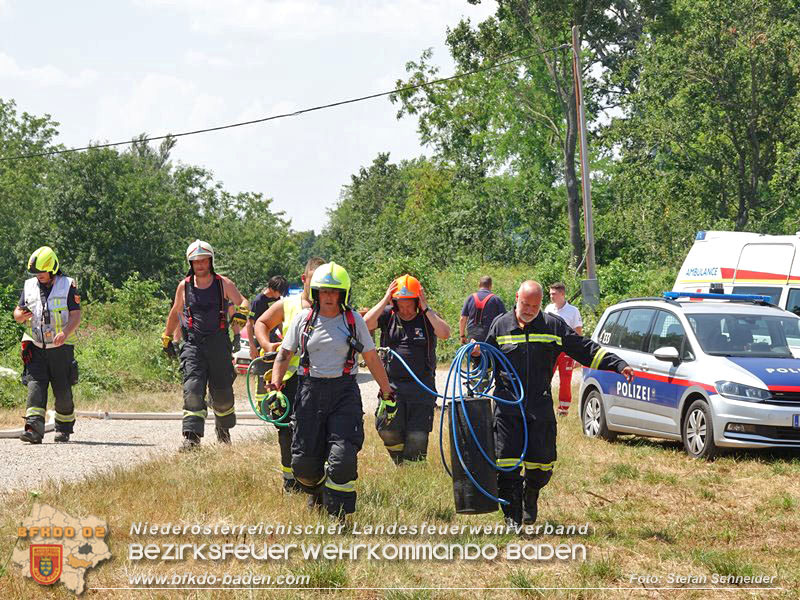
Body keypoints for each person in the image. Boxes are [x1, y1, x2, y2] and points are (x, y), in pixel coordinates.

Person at [485, 280, 633, 527]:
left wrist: (617, 363)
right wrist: (478, 355)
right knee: (507, 461)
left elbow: (583, 348)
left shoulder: (552, 325)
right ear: (516, 298)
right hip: (507, 405)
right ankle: (512, 514)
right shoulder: (500, 325)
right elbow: (486, 360)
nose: (530, 310)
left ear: (541, 303)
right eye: (525, 304)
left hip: (539, 404)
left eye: (535, 305)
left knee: (542, 462)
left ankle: (531, 493)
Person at [268, 262, 393, 519]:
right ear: (315, 293)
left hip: (344, 393)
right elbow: (284, 355)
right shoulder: (304, 320)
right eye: (324, 291)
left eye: (334, 292)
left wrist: (387, 391)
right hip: (309, 392)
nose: (328, 297)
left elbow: (370, 357)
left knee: (343, 457)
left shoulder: (353, 321)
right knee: (302, 463)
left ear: (343, 294)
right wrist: (275, 388)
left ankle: (338, 515)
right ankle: (317, 493)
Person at [162, 239, 249, 450]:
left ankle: (223, 428)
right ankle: (192, 438)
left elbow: (244, 302)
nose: (200, 265)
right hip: (193, 345)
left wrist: (240, 317)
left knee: (222, 393)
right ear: (190, 263)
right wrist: (167, 338)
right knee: (192, 389)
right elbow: (175, 312)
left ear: (211, 261)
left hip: (219, 344)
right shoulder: (184, 286)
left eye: (204, 261)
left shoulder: (223, 283)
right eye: (196, 262)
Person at [254, 259, 325, 492]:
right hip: (289, 379)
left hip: (322, 379)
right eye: (313, 281)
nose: (318, 287)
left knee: (318, 430)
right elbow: (261, 322)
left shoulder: (332, 304)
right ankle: (290, 482)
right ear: (304, 280)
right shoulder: (289, 304)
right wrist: (267, 345)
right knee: (287, 431)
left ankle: (316, 479)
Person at [364, 274, 450, 464]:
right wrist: (386, 298)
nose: (405, 309)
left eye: (409, 304)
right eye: (400, 304)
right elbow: (365, 324)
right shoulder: (388, 315)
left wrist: (426, 308)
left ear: (417, 301)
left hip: (422, 389)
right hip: (392, 388)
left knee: (417, 438)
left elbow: (445, 333)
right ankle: (399, 462)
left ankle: (412, 471)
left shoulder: (427, 318)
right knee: (387, 429)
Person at [14, 247, 82, 444]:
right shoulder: (29, 286)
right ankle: (33, 430)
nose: (38, 276)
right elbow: (17, 313)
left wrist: (65, 332)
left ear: (52, 268)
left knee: (62, 392)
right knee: (35, 387)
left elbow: (76, 315)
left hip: (60, 349)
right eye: (35, 273)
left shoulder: (67, 285)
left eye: (42, 272)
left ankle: (63, 427)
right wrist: (20, 316)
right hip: (35, 347)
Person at [544, 282, 584, 416]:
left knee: (565, 380)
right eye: (550, 294)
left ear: (562, 294)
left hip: (566, 350)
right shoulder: (549, 309)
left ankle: (563, 410)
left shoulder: (573, 311)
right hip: (550, 349)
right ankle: (544, 404)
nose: (551, 296)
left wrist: (578, 354)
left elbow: (578, 332)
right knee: (545, 377)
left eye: (554, 294)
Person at [247, 275, 289, 360]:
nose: (281, 295)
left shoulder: (277, 300)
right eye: (280, 292)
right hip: (261, 340)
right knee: (262, 369)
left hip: (273, 338)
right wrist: (252, 346)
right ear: (272, 289)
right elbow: (249, 324)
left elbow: (279, 321)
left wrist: (284, 337)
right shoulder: (258, 301)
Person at [459, 275, 506, 345]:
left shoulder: (470, 298)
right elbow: (504, 319)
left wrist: (462, 335)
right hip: (490, 336)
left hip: (473, 336)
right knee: (489, 355)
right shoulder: (496, 299)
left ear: (479, 285)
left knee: (473, 354)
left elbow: (462, 319)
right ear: (491, 286)